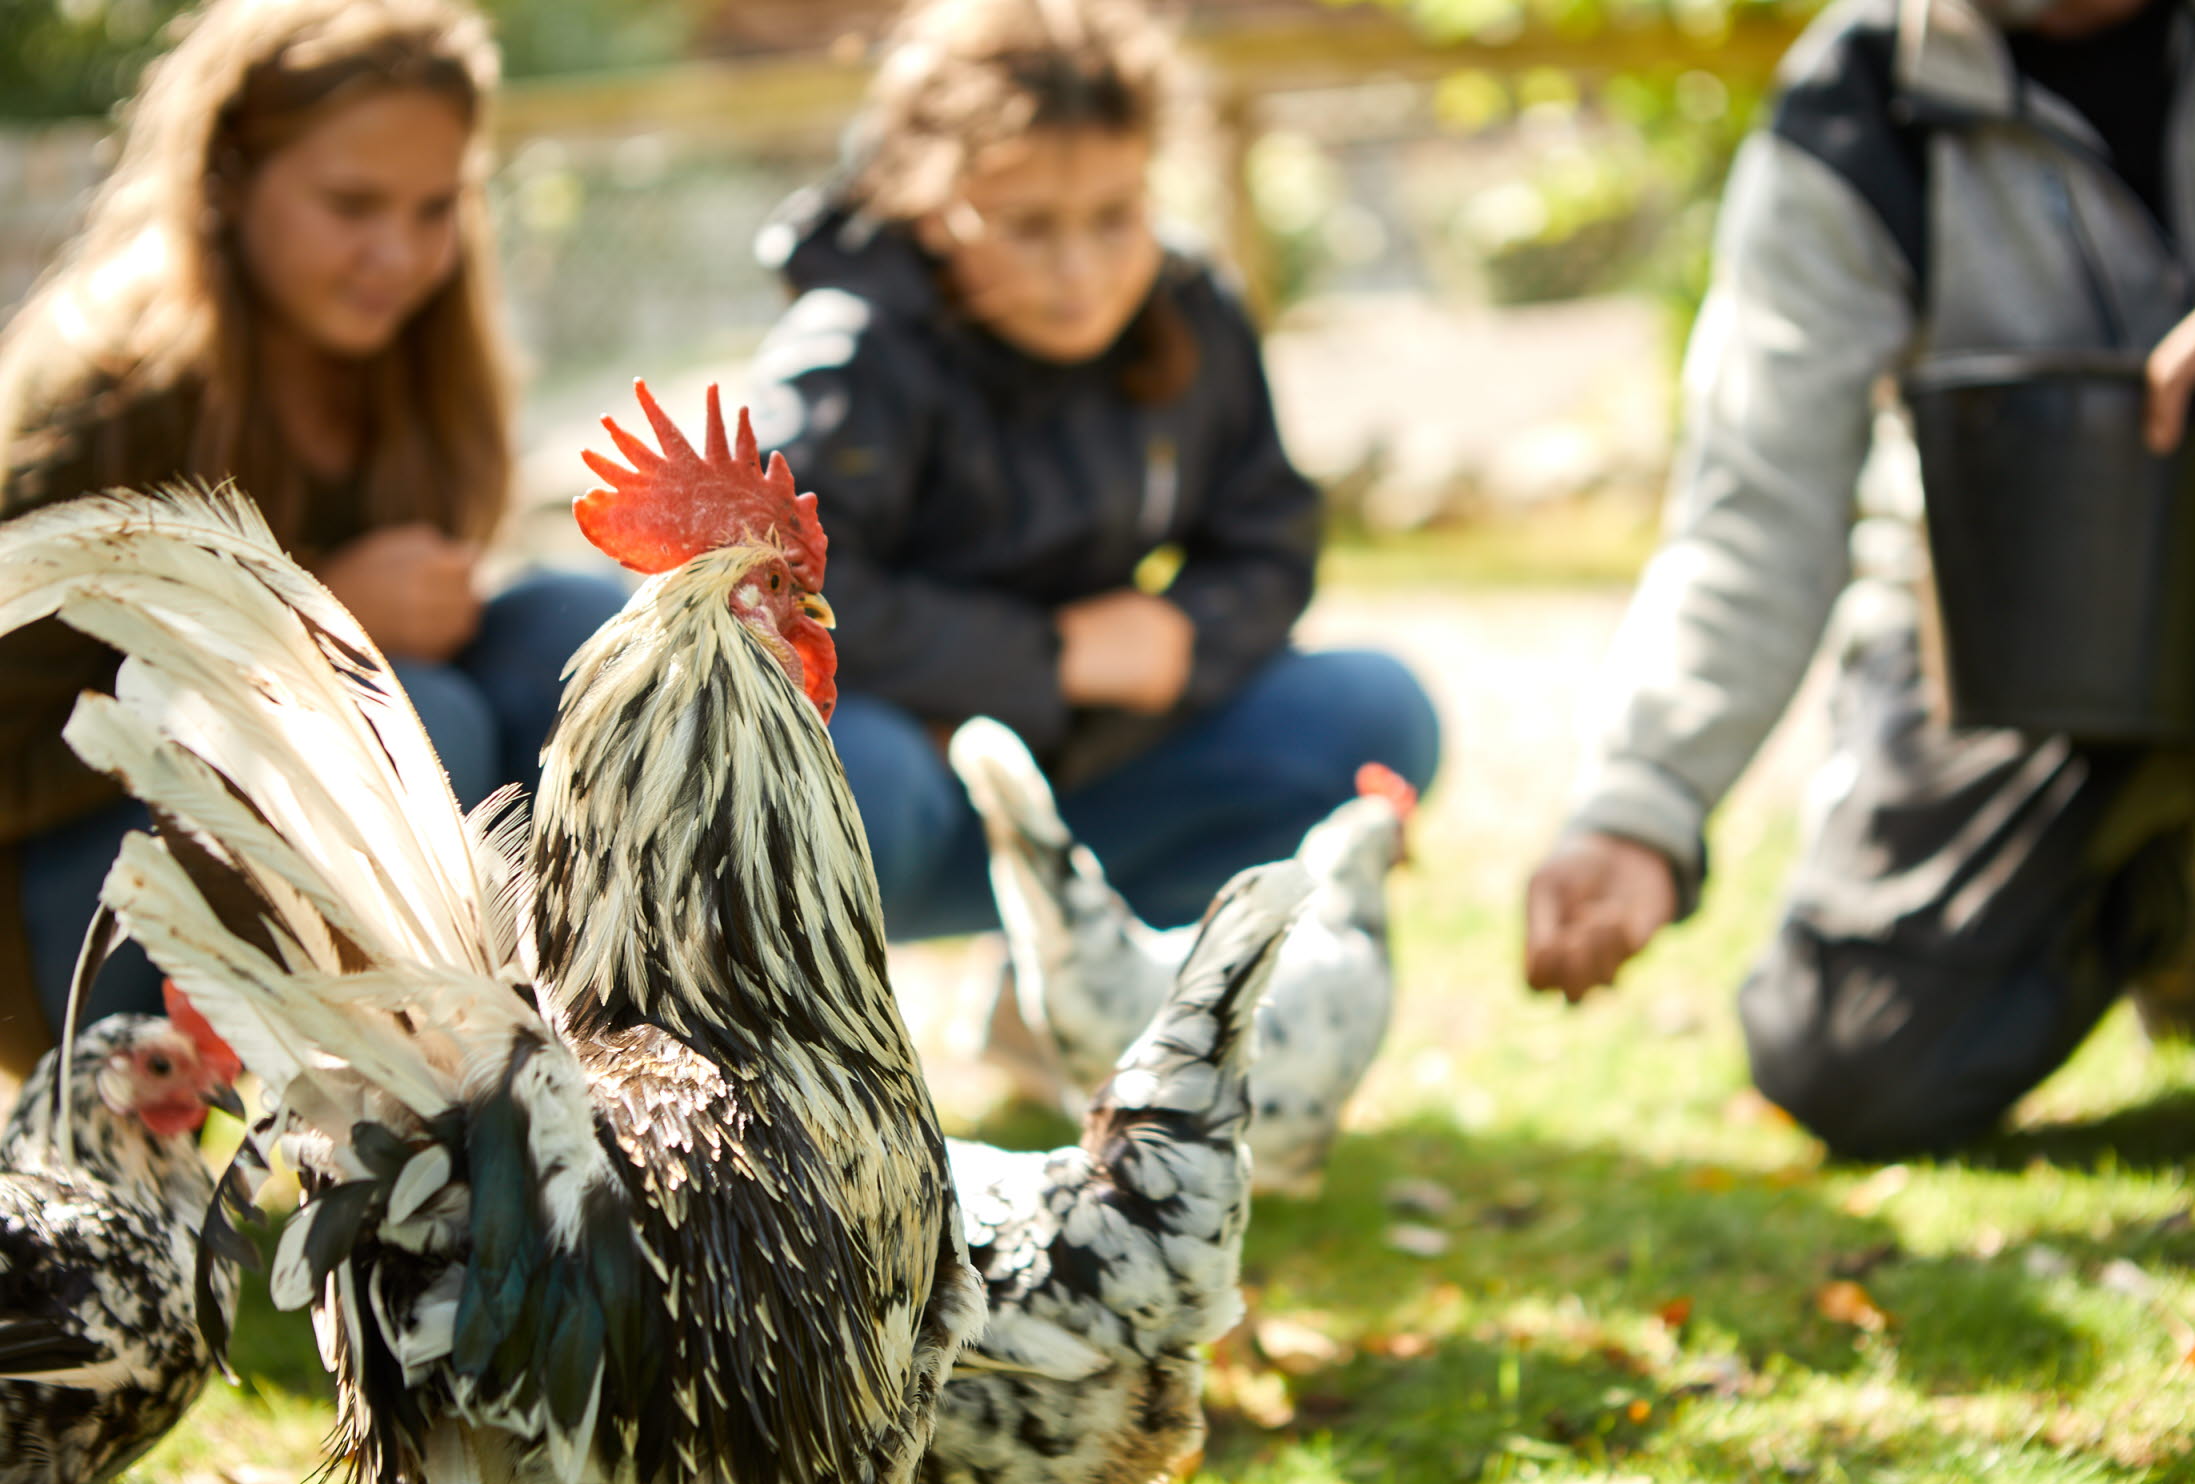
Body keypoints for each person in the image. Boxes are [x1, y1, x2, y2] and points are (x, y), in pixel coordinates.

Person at [1523, 0, 2195, 1173]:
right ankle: (2140, 895)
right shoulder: (1853, 108)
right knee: (1851, 1063)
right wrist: (1641, 801)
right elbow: (1757, 501)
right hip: (2023, 646)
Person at [0, 0, 624, 1075]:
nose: (400, 252)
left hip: (293, 864)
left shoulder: (421, 364)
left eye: (436, 209)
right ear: (230, 176)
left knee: (576, 638)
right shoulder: (105, 400)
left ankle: (590, 1081)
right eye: (352, 204)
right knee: (420, 720)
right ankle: (393, 1119)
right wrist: (288, 631)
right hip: (77, 917)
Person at [747, 0, 1440, 942]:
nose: (1080, 270)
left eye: (1116, 216)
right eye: (1029, 227)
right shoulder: (848, 353)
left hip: (1096, 761)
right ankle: (805, 1040)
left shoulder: (1190, 308)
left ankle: (1078, 984)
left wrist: (1184, 644)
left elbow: (1269, 533)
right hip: (914, 784)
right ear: (934, 205)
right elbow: (775, 604)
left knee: (1371, 711)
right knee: (854, 768)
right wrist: (1051, 659)